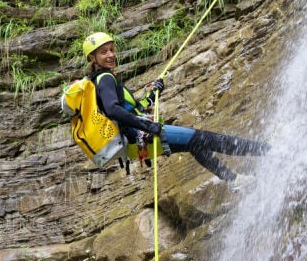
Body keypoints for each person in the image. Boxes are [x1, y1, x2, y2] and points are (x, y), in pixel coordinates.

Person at [82, 31, 268, 181]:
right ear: (92, 58)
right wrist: (149, 126)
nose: (111, 55)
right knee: (205, 138)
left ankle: (233, 180)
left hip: (134, 143)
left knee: (195, 144)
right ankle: (268, 151)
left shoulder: (97, 80)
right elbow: (114, 110)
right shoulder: (105, 78)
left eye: (112, 50)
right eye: (104, 52)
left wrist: (153, 94)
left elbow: (132, 109)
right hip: (142, 136)